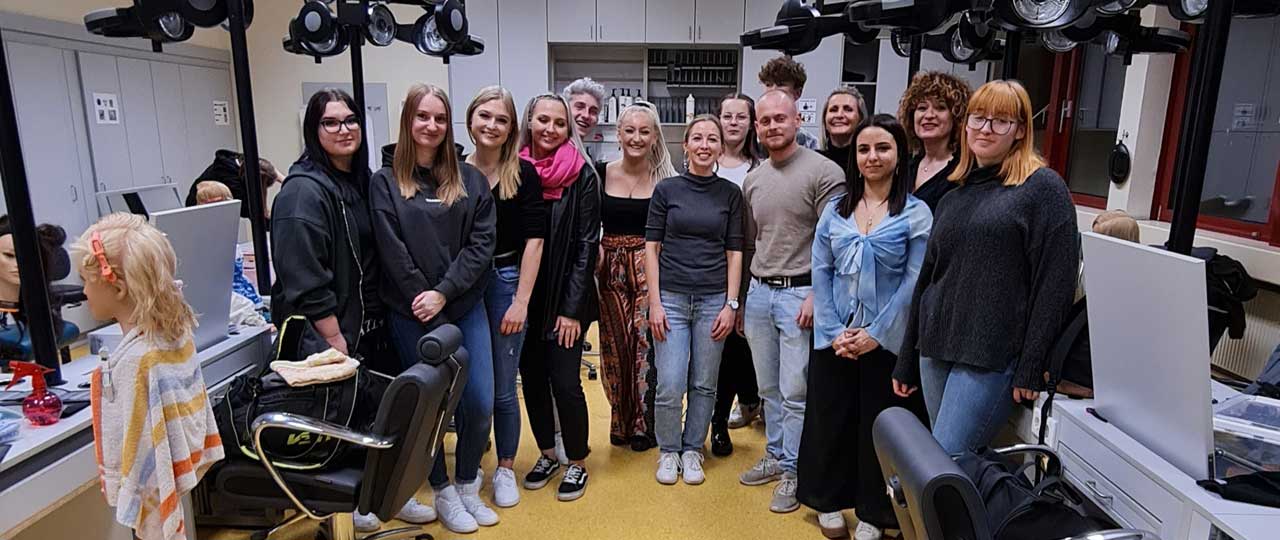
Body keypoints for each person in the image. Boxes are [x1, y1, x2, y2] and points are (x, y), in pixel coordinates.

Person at [893, 80, 1080, 455]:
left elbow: (1055, 284)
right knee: (944, 463)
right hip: (936, 348)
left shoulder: (1042, 189)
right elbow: (928, 280)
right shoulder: (955, 194)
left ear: (1020, 130)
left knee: (946, 462)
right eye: (978, 118)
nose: (985, 129)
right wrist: (907, 358)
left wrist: (1032, 363)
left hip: (989, 355)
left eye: (1000, 121)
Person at [270, 89, 427, 524]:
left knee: (379, 413)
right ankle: (349, 505)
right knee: (343, 415)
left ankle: (384, 494)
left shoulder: (360, 182)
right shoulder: (302, 192)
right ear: (313, 130)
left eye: (350, 120)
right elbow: (304, 275)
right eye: (331, 122)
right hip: (330, 329)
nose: (344, 129)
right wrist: (333, 335)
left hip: (373, 321)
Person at [366, 84, 497, 533]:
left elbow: (481, 246)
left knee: (478, 400)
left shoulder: (470, 180)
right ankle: (441, 489)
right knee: (430, 405)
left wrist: (444, 292)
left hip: (462, 306)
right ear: (408, 120)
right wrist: (425, 298)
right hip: (412, 312)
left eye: (440, 118)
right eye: (423, 116)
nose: (432, 125)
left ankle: (467, 483)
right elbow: (392, 249)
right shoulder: (385, 182)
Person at [800, 115, 932, 540]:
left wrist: (877, 333)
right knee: (829, 418)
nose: (872, 157)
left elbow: (915, 281)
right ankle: (827, 500)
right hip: (835, 335)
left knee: (879, 426)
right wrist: (833, 329)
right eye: (863, 149)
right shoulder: (835, 210)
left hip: (887, 340)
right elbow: (821, 270)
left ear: (900, 154)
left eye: (882, 148)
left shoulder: (916, 213)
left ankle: (875, 512)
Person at [74, 213, 222, 540]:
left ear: (118, 287)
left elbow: (146, 457)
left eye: (86, 280)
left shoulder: (137, 362)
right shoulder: (173, 336)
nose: (83, 291)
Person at [739, 90, 846, 514]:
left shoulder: (825, 172)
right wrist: (744, 297)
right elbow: (754, 242)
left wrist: (819, 295)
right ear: (757, 127)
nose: (772, 126)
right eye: (764, 121)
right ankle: (776, 454)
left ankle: (793, 471)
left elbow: (835, 243)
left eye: (780, 118)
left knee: (795, 391)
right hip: (760, 293)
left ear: (797, 119)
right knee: (768, 388)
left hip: (801, 293)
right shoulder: (754, 179)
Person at [464, 85, 549, 510]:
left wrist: (521, 301)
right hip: (463, 286)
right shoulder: (453, 172)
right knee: (471, 386)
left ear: (512, 127)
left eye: (502, 119)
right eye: (485, 116)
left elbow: (535, 241)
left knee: (502, 385)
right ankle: (469, 466)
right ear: (470, 118)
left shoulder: (524, 174)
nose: (492, 125)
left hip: (506, 280)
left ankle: (504, 467)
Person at [647, 115, 744, 486]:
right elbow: (651, 248)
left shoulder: (730, 194)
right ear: (685, 145)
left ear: (721, 147)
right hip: (671, 298)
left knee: (704, 382)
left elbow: (734, 252)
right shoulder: (667, 190)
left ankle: (692, 449)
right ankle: (669, 450)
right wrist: (655, 303)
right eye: (698, 138)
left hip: (712, 300)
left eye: (712, 139)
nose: (705, 145)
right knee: (670, 382)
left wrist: (731, 304)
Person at [517, 92, 601, 502]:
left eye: (559, 123)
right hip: (524, 295)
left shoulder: (582, 174)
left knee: (566, 382)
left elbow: (586, 245)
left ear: (569, 129)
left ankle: (578, 461)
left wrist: (571, 310)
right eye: (543, 120)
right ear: (529, 122)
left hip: (568, 296)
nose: (550, 129)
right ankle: (548, 454)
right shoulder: (515, 170)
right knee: (532, 378)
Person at [597, 103, 676, 452]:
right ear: (618, 134)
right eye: (630, 130)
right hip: (609, 268)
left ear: (655, 136)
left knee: (645, 342)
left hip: (649, 265)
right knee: (616, 344)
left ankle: (644, 424)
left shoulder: (666, 181)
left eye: (644, 131)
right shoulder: (600, 173)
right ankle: (621, 419)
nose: (636, 138)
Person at [711, 93, 765, 456]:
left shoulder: (760, 169)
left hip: (746, 268)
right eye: (727, 116)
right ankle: (743, 402)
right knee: (711, 352)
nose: (733, 123)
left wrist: (741, 293)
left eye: (740, 117)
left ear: (751, 123)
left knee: (734, 348)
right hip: (706, 270)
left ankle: (720, 421)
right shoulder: (704, 161)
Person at [897, 71, 971, 212]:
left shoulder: (963, 171)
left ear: (956, 117)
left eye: (940, 107)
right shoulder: (904, 165)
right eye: (922, 108)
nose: (929, 115)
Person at [184, 149, 283, 220]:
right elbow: (257, 218)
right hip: (198, 210)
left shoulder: (242, 161)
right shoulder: (235, 187)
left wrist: (286, 180)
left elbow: (263, 168)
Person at [757, 56, 820, 150]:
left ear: (798, 93)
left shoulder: (810, 143)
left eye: (781, 84)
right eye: (769, 84)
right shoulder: (754, 142)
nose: (773, 90)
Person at [818, 87, 868, 171]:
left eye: (848, 109)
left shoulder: (868, 162)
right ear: (825, 120)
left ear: (860, 119)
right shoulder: (813, 162)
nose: (839, 115)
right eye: (833, 110)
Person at [562, 77, 607, 143]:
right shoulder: (565, 148)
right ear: (564, 109)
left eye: (593, 111)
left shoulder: (576, 147)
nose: (586, 115)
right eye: (579, 107)